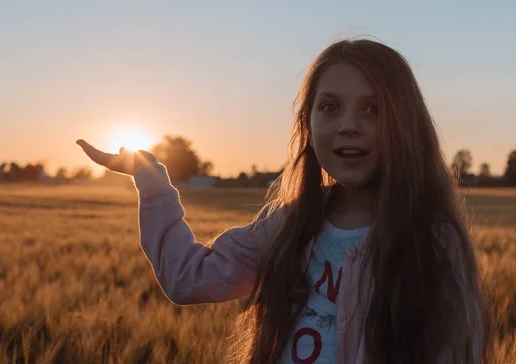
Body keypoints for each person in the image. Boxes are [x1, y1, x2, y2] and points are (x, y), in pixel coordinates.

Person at [77, 37, 492, 363]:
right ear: (307, 125)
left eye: (374, 110)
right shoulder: (289, 226)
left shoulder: (431, 241)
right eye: (330, 107)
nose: (349, 125)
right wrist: (150, 179)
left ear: (408, 125)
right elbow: (187, 278)